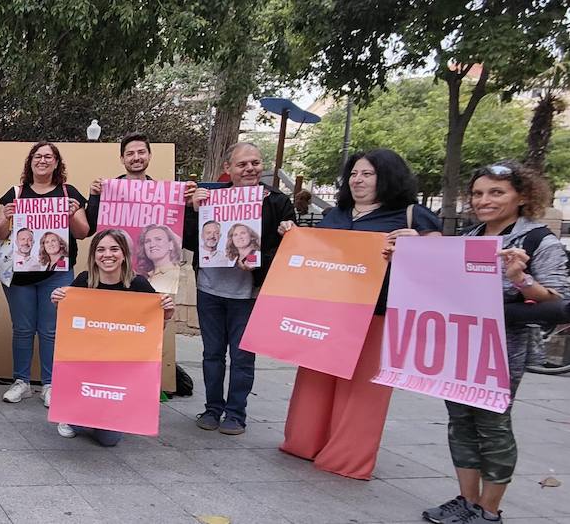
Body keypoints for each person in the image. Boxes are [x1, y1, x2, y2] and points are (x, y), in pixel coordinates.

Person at [277, 149, 441, 480]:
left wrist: (419, 247)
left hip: (378, 314)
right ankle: (303, 443)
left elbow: (441, 264)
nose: (358, 179)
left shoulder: (412, 216)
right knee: (315, 381)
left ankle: (346, 457)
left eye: (367, 173)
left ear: (388, 177)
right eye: (354, 173)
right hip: (329, 312)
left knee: (362, 391)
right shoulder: (335, 215)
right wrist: (294, 238)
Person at [421, 161, 568, 524]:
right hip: (459, 343)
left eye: (496, 192)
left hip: (503, 348)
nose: (484, 200)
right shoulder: (470, 237)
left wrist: (520, 279)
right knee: (460, 421)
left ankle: (488, 511)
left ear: (521, 196)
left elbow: (558, 301)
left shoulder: (537, 240)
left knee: (492, 424)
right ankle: (466, 500)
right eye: (478, 193)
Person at [182, 142, 294, 435]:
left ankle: (236, 413)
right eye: (242, 164)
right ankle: (212, 408)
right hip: (210, 289)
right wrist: (193, 211)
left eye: (255, 163)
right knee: (212, 354)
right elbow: (188, 241)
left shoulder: (278, 202)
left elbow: (288, 251)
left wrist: (259, 262)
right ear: (227, 169)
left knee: (243, 356)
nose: (250, 169)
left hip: (249, 294)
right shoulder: (210, 199)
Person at [50, 229, 175, 445]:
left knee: (109, 440)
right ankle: (73, 416)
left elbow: (151, 334)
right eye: (101, 250)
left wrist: (166, 314)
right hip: (86, 364)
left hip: (119, 369)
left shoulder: (139, 285)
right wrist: (58, 301)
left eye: (114, 249)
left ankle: (104, 416)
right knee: (77, 422)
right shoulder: (84, 281)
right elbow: (68, 327)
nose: (107, 255)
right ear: (94, 256)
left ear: (124, 254)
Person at [0, 142, 91, 406]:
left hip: (57, 273)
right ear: (30, 162)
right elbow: (0, 233)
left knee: (51, 330)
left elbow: (83, 232)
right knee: (23, 329)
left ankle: (49, 384)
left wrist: (72, 214)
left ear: (57, 163)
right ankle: (21, 382)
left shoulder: (67, 192)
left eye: (49, 157)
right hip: (21, 275)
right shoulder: (16, 192)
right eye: (38, 156)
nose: (43, 160)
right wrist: (5, 216)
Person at [86, 131, 196, 221]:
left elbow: (188, 240)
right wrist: (94, 197)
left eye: (141, 152)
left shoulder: (165, 196)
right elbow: (89, 229)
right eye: (130, 154)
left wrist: (190, 207)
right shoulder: (106, 192)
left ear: (149, 155)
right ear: (122, 159)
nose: (136, 157)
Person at [136, 224, 184, 293]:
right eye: (147, 241)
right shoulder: (144, 277)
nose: (152, 245)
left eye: (158, 239)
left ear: (171, 245)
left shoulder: (179, 276)